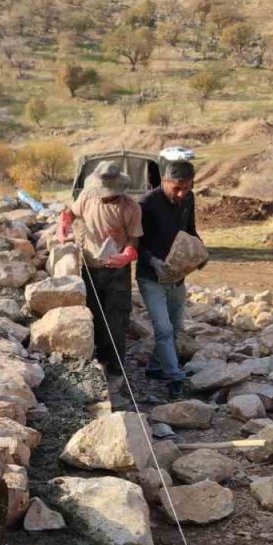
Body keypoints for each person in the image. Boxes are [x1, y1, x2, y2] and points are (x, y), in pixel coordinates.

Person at [65, 161, 142, 382]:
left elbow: (134, 239)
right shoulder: (87, 197)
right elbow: (70, 213)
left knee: (116, 316)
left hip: (117, 270)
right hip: (90, 267)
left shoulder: (129, 207)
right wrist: (64, 223)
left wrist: (127, 255)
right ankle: (98, 358)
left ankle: (116, 367)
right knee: (94, 314)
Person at [138, 160, 200, 400]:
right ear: (164, 181)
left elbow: (190, 231)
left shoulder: (189, 199)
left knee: (174, 327)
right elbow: (136, 242)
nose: (182, 193)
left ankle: (155, 367)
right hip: (150, 276)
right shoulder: (147, 203)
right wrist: (152, 260)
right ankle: (175, 378)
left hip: (177, 274)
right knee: (163, 329)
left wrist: (199, 252)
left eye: (187, 187)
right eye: (177, 188)